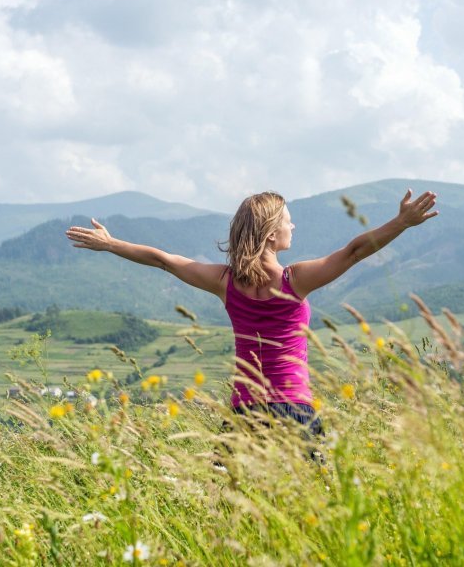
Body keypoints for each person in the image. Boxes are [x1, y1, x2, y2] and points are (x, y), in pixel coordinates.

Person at [65, 189, 438, 442]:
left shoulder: (224, 282)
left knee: (237, 518)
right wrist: (401, 223)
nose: (293, 226)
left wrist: (111, 244)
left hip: (245, 413)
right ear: (272, 234)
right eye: (288, 222)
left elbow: (164, 260)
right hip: (294, 410)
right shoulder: (297, 279)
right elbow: (355, 251)